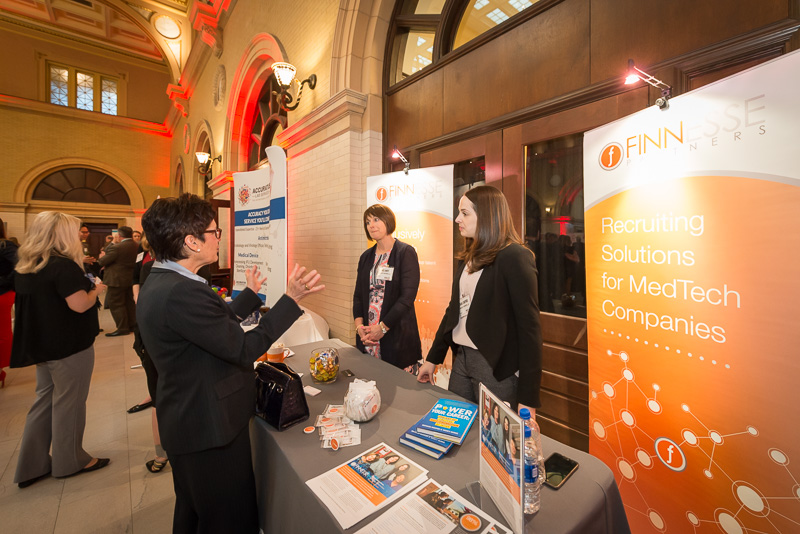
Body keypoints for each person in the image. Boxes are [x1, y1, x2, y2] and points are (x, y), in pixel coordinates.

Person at [137, 193, 323, 533]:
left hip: (190, 420)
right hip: (208, 429)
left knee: (195, 512)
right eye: (214, 231)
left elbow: (208, 327)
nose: (219, 238)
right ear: (191, 242)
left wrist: (249, 294)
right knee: (229, 520)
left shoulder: (164, 279)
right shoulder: (181, 292)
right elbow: (241, 348)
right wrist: (291, 300)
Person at [418, 185, 542, 414]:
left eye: (465, 213)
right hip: (462, 360)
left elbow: (530, 330)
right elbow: (453, 311)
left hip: (495, 367)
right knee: (457, 427)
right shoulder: (469, 256)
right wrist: (433, 358)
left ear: (487, 216)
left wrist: (528, 398)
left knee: (494, 435)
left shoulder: (515, 256)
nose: (457, 219)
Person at [11, 211, 110, 488]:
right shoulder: (63, 266)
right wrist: (97, 290)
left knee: (43, 402)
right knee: (70, 403)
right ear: (63, 234)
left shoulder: (28, 264)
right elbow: (79, 305)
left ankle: (32, 465)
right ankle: (71, 461)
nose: (79, 236)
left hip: (42, 345)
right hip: (68, 345)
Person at [353, 204, 422, 373]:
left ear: (388, 221)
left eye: (376, 219)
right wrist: (359, 327)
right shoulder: (365, 257)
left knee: (398, 386)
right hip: (369, 338)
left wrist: (382, 328)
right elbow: (358, 296)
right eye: (368, 222)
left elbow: (407, 298)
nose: (371, 225)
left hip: (396, 336)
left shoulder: (405, 252)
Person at [129, 234, 166, 472]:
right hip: (153, 338)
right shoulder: (148, 266)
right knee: (158, 395)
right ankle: (161, 453)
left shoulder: (199, 270)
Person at [98, 226, 138, 336]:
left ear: (119, 235)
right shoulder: (136, 245)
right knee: (129, 303)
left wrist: (111, 245)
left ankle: (122, 328)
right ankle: (131, 325)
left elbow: (102, 261)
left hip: (116, 279)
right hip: (130, 278)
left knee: (116, 304)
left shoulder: (117, 247)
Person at [0, 217, 18, 388]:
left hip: (2, 293)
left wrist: (4, 282)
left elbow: (21, 265)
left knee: (2, 331)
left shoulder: (5, 245)